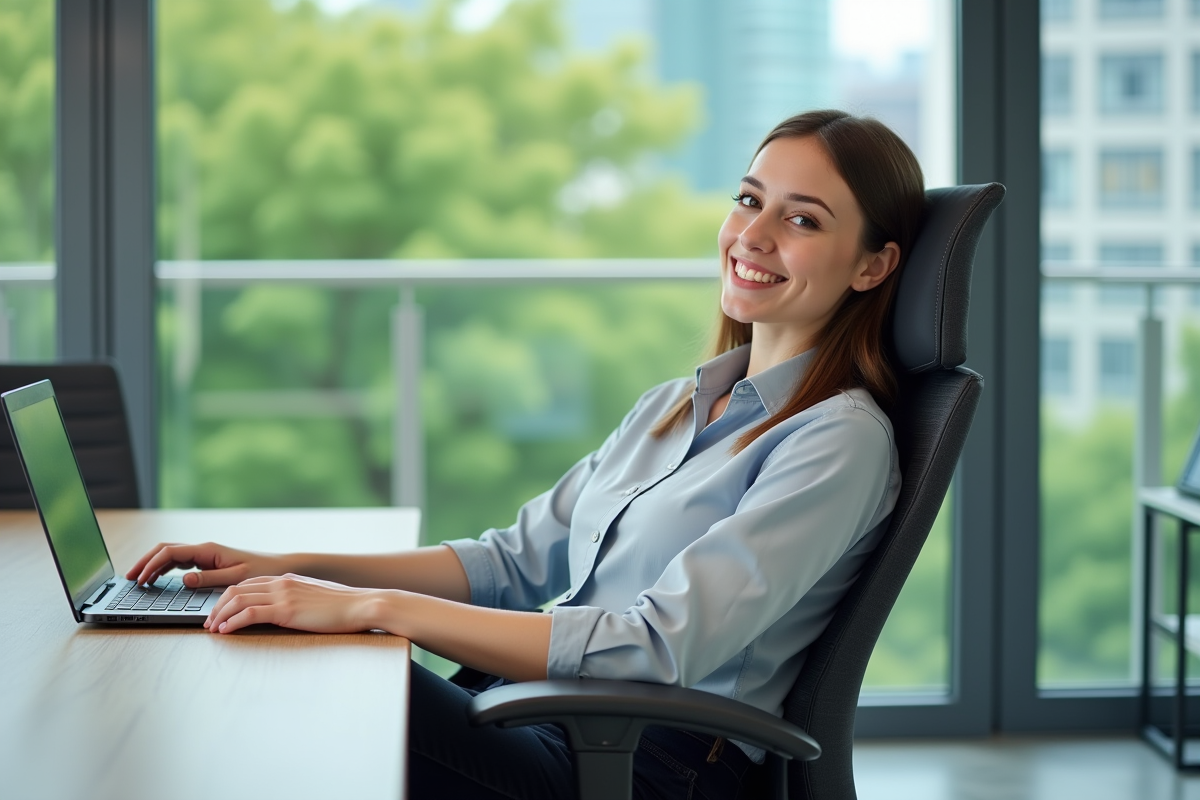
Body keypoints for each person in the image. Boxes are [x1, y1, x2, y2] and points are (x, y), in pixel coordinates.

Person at [128, 109, 925, 800]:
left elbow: (654, 648)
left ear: (873, 265)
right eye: (749, 201)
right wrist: (290, 568)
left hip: (646, 764)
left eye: (802, 220)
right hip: (544, 709)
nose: (753, 235)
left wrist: (370, 608)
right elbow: (512, 563)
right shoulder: (674, 405)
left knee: (324, 677)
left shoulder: (838, 441)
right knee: (290, 653)